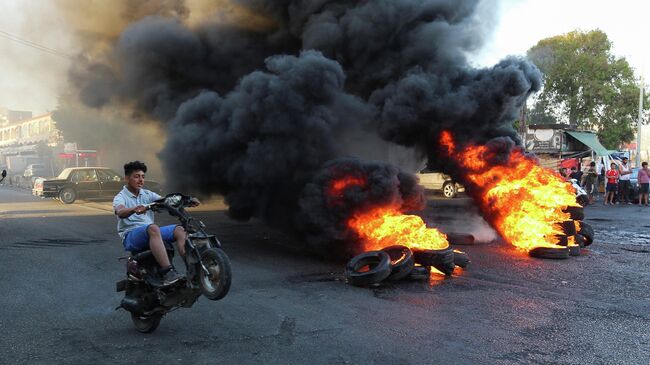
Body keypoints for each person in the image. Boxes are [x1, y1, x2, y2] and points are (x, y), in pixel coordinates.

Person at [113, 161, 200, 286]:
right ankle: (168, 272)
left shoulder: (147, 194)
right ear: (127, 178)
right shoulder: (120, 197)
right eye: (136, 176)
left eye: (143, 177)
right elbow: (120, 211)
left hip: (149, 231)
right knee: (153, 228)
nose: (141, 180)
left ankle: (192, 271)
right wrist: (133, 209)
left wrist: (187, 200)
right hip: (130, 235)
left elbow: (166, 201)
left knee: (179, 230)